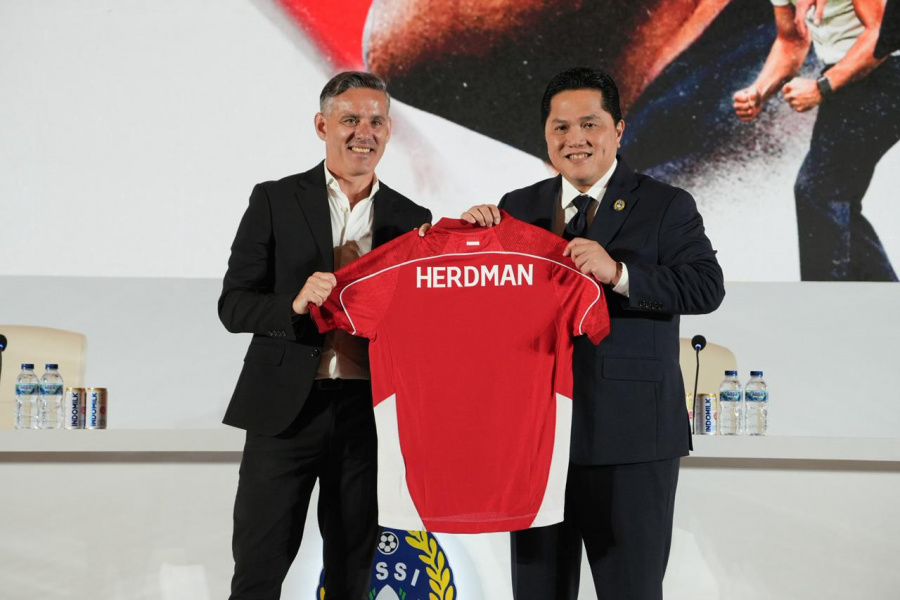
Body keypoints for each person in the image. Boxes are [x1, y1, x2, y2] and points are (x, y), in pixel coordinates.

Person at [458, 67, 725, 600]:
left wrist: (620, 274)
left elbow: (705, 287)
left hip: (633, 439)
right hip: (537, 440)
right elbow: (490, 311)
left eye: (590, 124)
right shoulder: (517, 207)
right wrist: (470, 247)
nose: (574, 139)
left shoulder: (666, 204)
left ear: (618, 130)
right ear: (545, 135)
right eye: (560, 127)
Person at [218, 71, 431, 600]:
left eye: (376, 121)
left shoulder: (413, 219)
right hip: (283, 413)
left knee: (352, 573)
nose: (364, 132)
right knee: (258, 569)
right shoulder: (274, 200)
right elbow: (234, 305)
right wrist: (294, 303)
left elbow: (421, 323)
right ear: (322, 126)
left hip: (368, 416)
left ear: (389, 130)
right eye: (350, 119)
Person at [732, 0, 900, 281]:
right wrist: (760, 90)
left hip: (887, 73)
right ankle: (886, 301)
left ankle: (822, 303)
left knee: (818, 192)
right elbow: (791, 41)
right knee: (831, 199)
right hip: (850, 77)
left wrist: (822, 86)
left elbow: (882, 33)